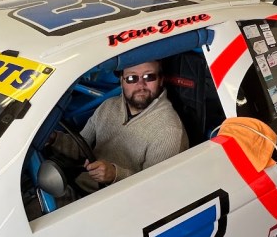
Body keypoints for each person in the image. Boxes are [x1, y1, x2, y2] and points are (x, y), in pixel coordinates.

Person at [51, 60, 188, 188]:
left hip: (113, 200)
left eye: (149, 77)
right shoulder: (108, 106)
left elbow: (153, 187)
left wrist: (115, 174)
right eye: (131, 78)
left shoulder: (169, 130)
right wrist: (54, 139)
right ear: (121, 81)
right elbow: (81, 147)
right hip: (79, 186)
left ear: (161, 80)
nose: (141, 85)